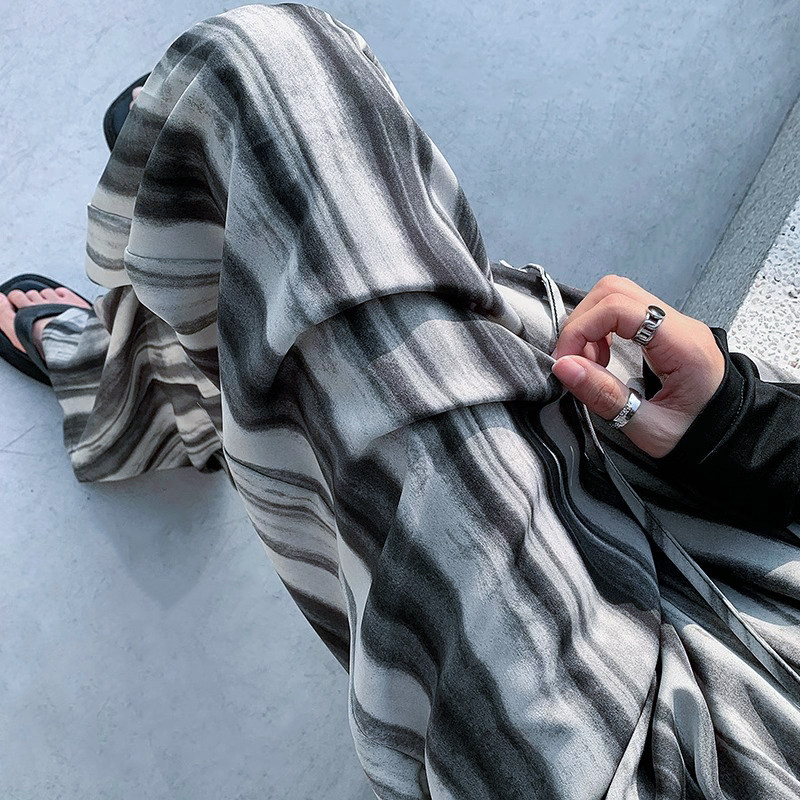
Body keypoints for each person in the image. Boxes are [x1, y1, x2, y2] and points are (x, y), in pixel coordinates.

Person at [1, 3, 799, 797]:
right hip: (759, 549)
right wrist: (738, 424)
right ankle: (170, 356)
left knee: (266, 87)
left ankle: (156, 346)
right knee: (462, 322)